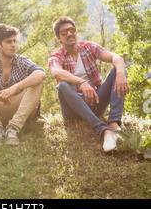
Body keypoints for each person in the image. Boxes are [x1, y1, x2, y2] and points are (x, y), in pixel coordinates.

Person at [48, 16, 130, 153]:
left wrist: (121, 74)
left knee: (118, 71)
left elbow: (116, 58)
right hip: (73, 108)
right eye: (64, 32)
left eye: (71, 30)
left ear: (76, 31)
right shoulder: (56, 56)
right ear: (58, 38)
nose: (69, 33)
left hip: (95, 101)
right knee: (63, 86)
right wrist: (81, 82)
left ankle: (114, 124)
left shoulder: (88, 47)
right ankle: (104, 131)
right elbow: (56, 72)